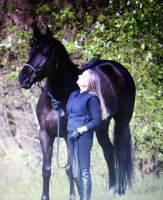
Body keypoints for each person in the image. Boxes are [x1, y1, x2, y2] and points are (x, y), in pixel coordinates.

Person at [52, 69, 109, 200]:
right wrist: (59, 110)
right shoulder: (73, 95)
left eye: (82, 76)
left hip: (83, 137)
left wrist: (79, 130)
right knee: (75, 172)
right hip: (71, 134)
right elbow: (69, 117)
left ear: (89, 81)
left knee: (84, 172)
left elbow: (96, 121)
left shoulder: (92, 98)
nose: (79, 75)